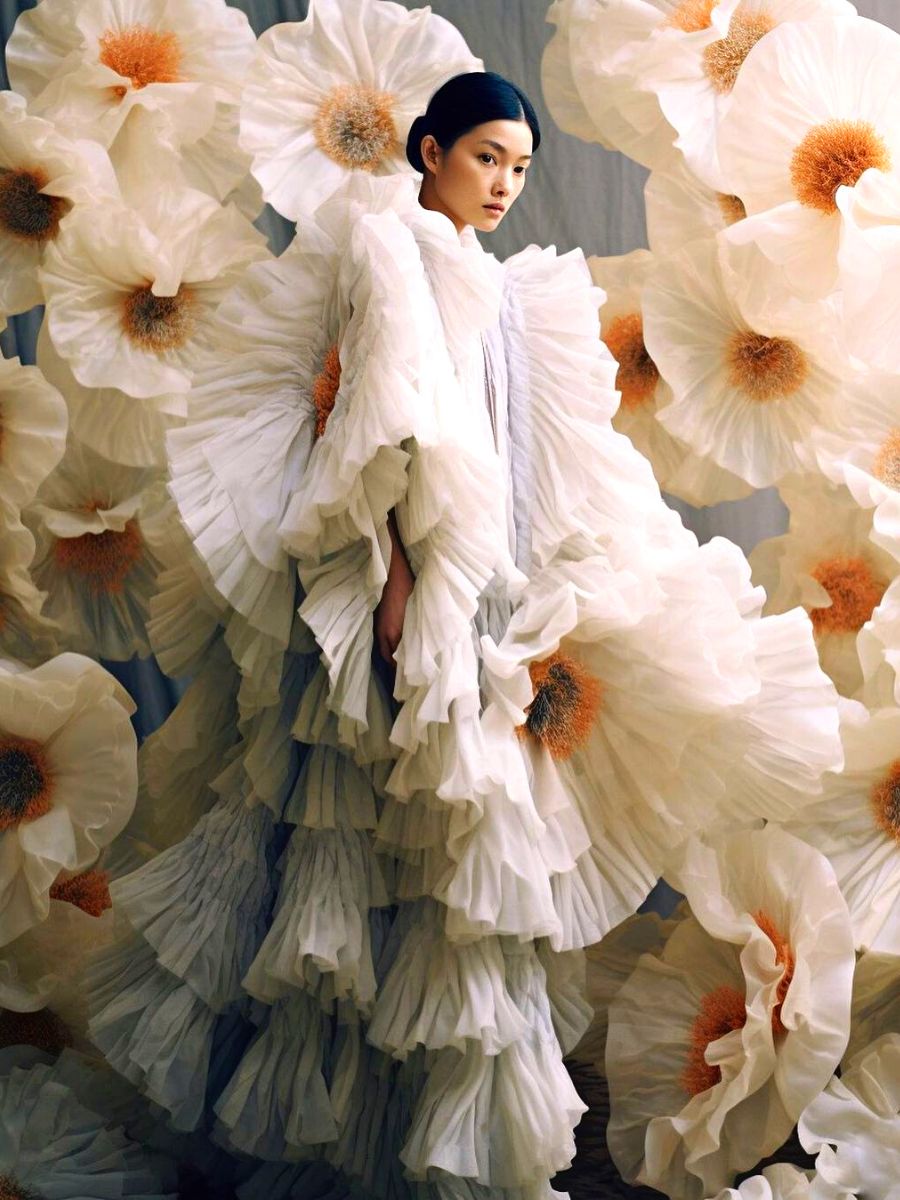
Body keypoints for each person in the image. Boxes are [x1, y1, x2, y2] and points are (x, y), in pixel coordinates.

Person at [90, 68, 838, 1200]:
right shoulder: (383, 251)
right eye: (488, 156)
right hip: (402, 599)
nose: (505, 184)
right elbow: (374, 434)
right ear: (429, 149)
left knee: (466, 875)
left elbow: (523, 452)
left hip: (483, 597)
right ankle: (364, 1148)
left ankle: (453, 1146)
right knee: (375, 856)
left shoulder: (501, 284)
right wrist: (393, 592)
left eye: (522, 169)